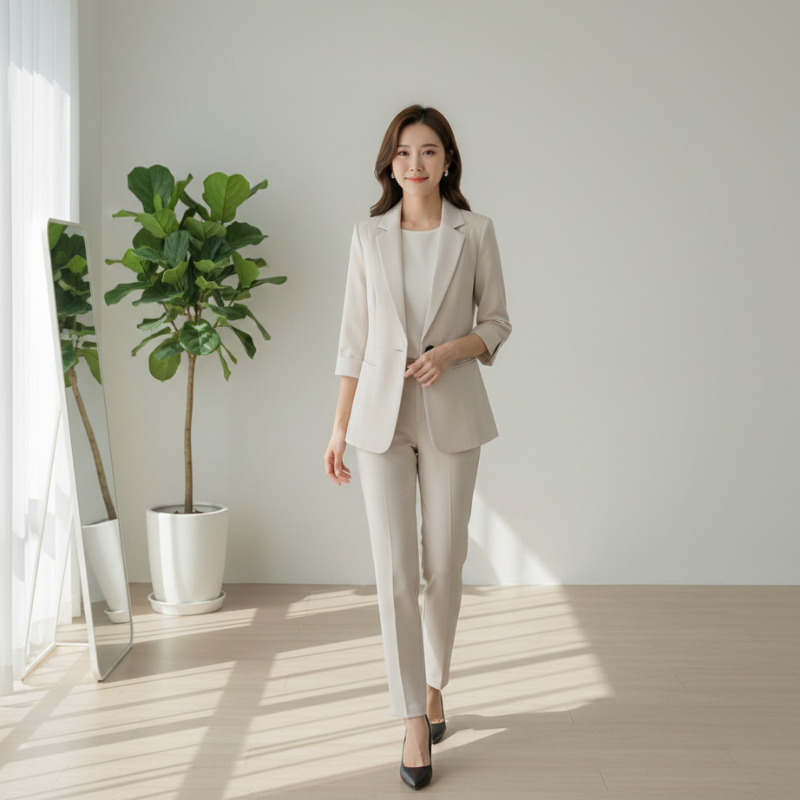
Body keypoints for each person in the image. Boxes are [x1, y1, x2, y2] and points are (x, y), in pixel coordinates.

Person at [324, 103, 512, 790]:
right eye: (404, 152)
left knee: (445, 562)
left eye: (428, 151)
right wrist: (339, 426)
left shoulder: (476, 231)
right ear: (389, 162)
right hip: (379, 418)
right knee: (394, 570)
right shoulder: (368, 236)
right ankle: (410, 718)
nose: (415, 164)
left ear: (448, 161)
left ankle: (436, 683)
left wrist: (453, 350)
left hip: (452, 411)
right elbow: (353, 339)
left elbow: (497, 321)